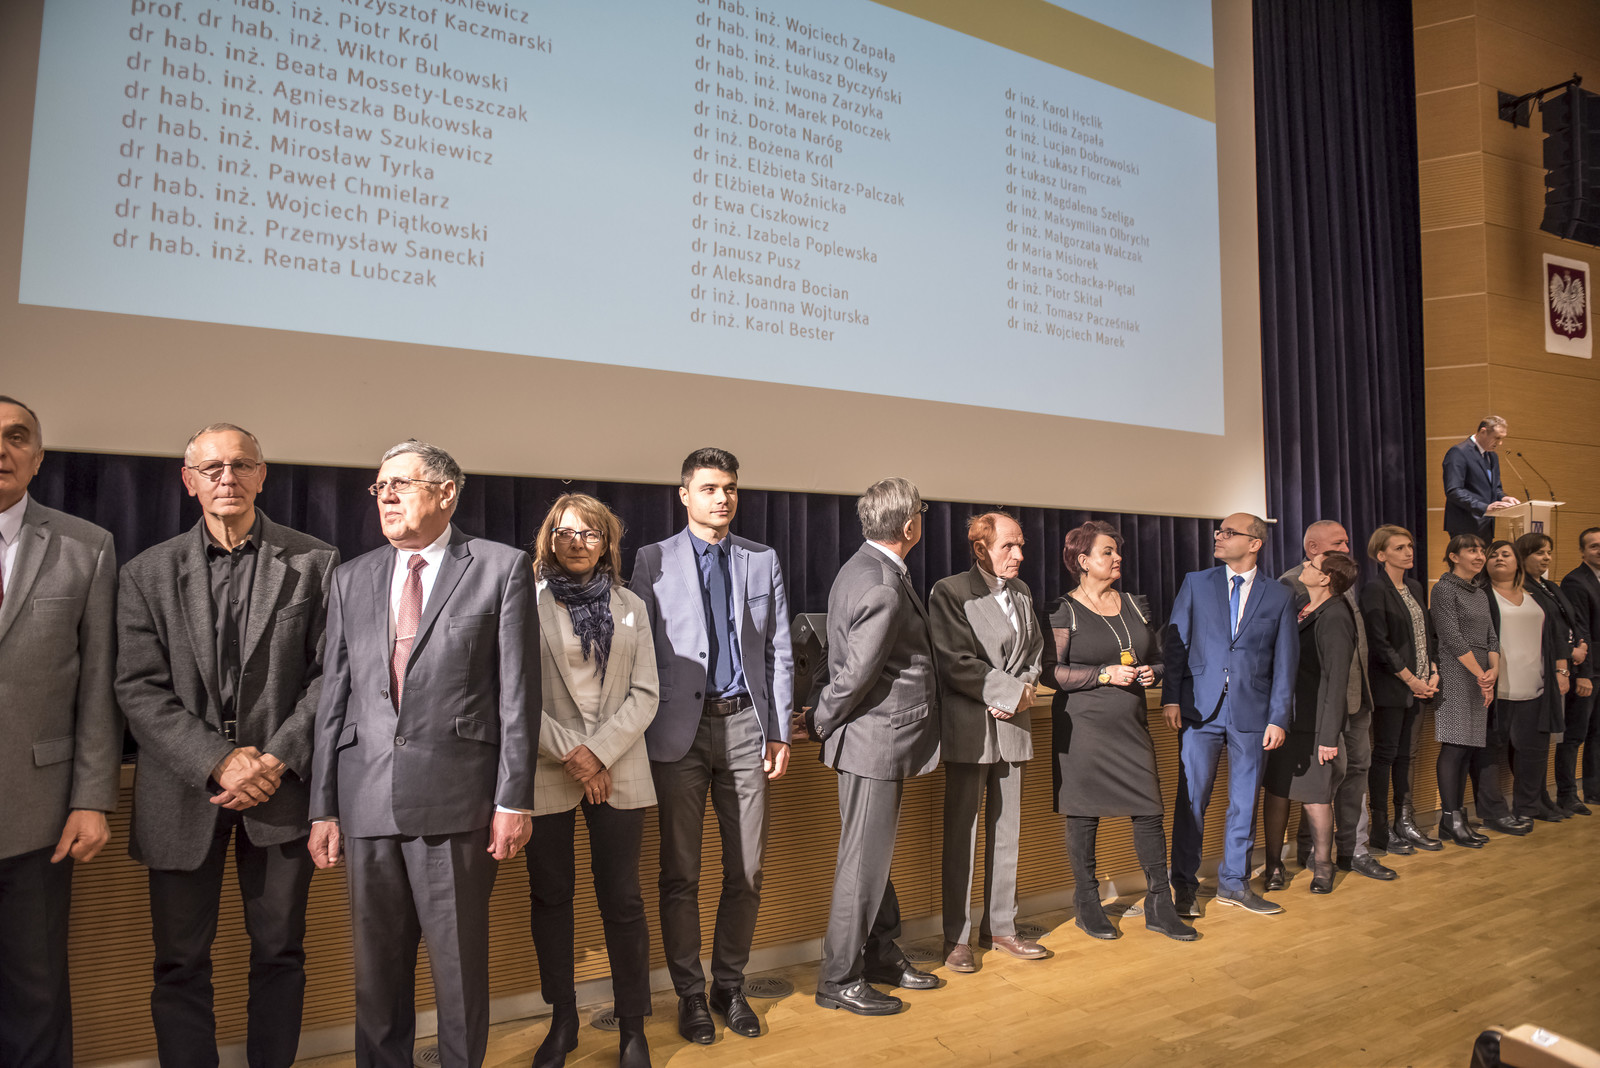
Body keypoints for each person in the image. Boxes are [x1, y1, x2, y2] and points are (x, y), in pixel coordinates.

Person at [307, 441, 538, 1068]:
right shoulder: (351, 577)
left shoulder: (499, 567)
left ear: (446, 492)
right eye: (379, 486)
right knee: (376, 976)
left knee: (458, 973)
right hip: (365, 798)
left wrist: (513, 800)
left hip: (457, 802)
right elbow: (335, 698)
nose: (386, 496)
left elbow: (518, 695)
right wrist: (324, 808)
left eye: (401, 484)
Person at [115, 423, 337, 1068]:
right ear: (189, 481)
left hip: (281, 791)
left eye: (241, 465)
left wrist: (276, 757)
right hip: (181, 794)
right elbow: (138, 687)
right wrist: (218, 759)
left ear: (262, 475)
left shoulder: (316, 562)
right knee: (179, 961)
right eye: (212, 468)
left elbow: (333, 675)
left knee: (281, 952)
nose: (227, 478)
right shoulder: (145, 572)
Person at [631, 448, 793, 1045]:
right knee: (680, 873)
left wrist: (778, 729)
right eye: (708, 488)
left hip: (747, 725)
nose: (722, 498)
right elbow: (636, 653)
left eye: (729, 488)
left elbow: (778, 649)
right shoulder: (652, 560)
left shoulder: (761, 558)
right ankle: (690, 994)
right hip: (679, 733)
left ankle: (729, 984)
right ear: (684, 495)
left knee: (747, 870)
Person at [0, 396, 121, 1068]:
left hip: (38, 814)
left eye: (16, 437)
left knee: (36, 992)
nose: (2, 450)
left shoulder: (86, 545)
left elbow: (100, 684)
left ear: (39, 457)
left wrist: (92, 797)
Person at [526, 494, 658, 1068]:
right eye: (566, 532)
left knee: (623, 900)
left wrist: (599, 755)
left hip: (619, 765)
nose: (577, 542)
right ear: (549, 540)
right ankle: (564, 1021)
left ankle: (632, 1028)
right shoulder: (523, 603)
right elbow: (513, 695)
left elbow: (646, 693)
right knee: (551, 897)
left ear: (607, 543)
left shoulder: (631, 606)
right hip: (546, 766)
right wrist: (574, 755)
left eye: (590, 533)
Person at [805, 477, 941, 1017]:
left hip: (871, 740)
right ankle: (838, 979)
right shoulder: (882, 582)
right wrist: (819, 721)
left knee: (871, 858)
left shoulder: (860, 566)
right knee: (862, 864)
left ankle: (880, 953)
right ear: (909, 525)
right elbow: (855, 675)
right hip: (875, 742)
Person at [1046, 522, 1195, 942]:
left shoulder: (1134, 603)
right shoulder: (1062, 610)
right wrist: (1103, 674)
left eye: (1117, 551)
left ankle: (1160, 904)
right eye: (1107, 552)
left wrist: (1154, 673)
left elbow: (1159, 658)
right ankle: (1087, 903)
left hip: (1131, 726)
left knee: (1150, 811)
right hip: (1083, 728)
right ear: (1083, 561)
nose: (1118, 558)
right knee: (1083, 815)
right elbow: (1050, 673)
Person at [1163, 512, 1298, 917]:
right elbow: (1176, 644)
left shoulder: (1280, 595)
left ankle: (1234, 884)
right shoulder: (1196, 583)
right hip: (1199, 710)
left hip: (1253, 714)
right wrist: (1171, 698)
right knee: (1192, 801)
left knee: (1244, 802)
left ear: (1255, 543)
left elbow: (1285, 662)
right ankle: (1184, 887)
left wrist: (1278, 717)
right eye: (1218, 531)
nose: (1218, 537)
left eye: (1228, 532)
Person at [930, 512, 1048, 971]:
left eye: (1021, 545)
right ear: (980, 549)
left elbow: (1034, 653)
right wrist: (1007, 693)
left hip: (1014, 727)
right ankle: (956, 938)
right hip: (971, 729)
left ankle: (1001, 928)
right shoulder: (950, 591)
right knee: (962, 834)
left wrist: (1022, 693)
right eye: (1008, 547)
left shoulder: (1023, 592)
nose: (1019, 555)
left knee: (1007, 833)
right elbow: (953, 661)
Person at [1278, 521, 1388, 881]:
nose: (1346, 547)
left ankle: (1354, 849)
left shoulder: (1339, 576)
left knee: (1355, 772)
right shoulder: (1292, 582)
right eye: (1338, 542)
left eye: (1346, 540)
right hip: (1319, 707)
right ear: (1313, 548)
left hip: (1355, 698)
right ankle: (1313, 851)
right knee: (1317, 781)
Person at [1263, 551, 1360, 895]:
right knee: (1277, 793)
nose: (1304, 565)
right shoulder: (1303, 606)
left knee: (1316, 798)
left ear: (1325, 578)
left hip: (1317, 726)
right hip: (1287, 720)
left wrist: (1329, 737)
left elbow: (1336, 681)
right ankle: (1274, 866)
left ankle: (1323, 867)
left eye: (1312, 565)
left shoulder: (1336, 615)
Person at [1469, 539, 1566, 834]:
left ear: (1517, 561)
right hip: (1493, 690)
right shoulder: (1479, 596)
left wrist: (1561, 669)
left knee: (1533, 753)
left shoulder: (1537, 595)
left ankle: (1527, 807)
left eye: (1506, 554)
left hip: (1535, 687)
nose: (1499, 558)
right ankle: (1493, 813)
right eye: (1493, 555)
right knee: (1486, 754)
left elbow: (1556, 634)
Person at [1359, 525, 1441, 855]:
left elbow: (1426, 635)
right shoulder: (1374, 589)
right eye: (1399, 548)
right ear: (1381, 555)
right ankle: (1380, 828)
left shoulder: (1415, 587)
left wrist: (1433, 670)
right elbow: (1379, 644)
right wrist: (1411, 679)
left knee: (1409, 755)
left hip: (1421, 685)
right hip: (1393, 687)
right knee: (1386, 755)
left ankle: (1405, 822)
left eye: (1409, 546)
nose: (1408, 552)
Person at [1431, 534, 1497, 848]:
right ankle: (1450, 818)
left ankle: (1458, 818)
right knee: (1455, 746)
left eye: (1482, 550)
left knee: (1469, 748)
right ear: (1454, 557)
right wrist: (1482, 674)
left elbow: (1492, 637)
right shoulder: (1443, 589)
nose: (1480, 555)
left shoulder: (1480, 592)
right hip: (1456, 673)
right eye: (1472, 550)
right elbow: (1451, 637)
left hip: (1481, 674)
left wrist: (1493, 671)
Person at [1516, 531, 1583, 822]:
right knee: (1536, 739)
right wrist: (1565, 659)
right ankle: (1534, 799)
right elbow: (1544, 632)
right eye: (1539, 553)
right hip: (1540, 671)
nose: (1546, 558)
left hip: (1563, 664)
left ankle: (1543, 796)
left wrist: (1579, 643)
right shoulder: (1523, 588)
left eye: (1549, 552)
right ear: (1523, 556)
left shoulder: (1550, 586)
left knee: (1549, 738)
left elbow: (1569, 621)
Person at [1559, 526, 1600, 813]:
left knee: (1597, 733)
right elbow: (1580, 629)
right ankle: (1567, 795)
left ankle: (1594, 791)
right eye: (1594, 546)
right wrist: (1584, 673)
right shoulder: (1575, 581)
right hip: (1588, 671)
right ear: (1582, 552)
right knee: (1575, 735)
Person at [1442, 416, 1519, 539]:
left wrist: (1504, 498)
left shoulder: (1492, 456)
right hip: (1465, 526)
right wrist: (1484, 508)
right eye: (1497, 438)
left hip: (1486, 525)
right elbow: (1453, 491)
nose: (1500, 443)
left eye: (1502, 439)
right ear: (1483, 432)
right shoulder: (1459, 452)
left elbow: (1496, 489)